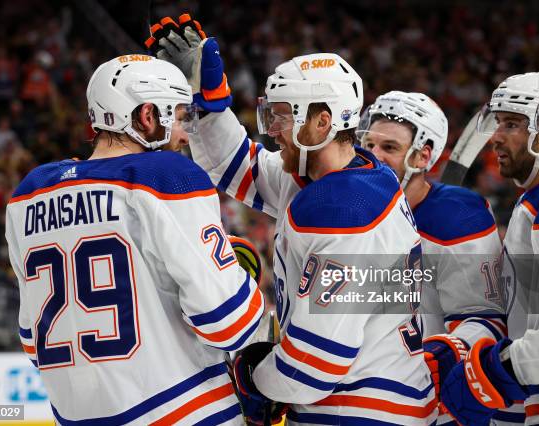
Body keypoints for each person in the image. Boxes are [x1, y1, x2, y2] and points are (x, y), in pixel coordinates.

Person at [148, 15, 436, 425]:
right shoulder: (346, 177)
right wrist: (205, 101)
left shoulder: (342, 211)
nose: (273, 130)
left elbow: (314, 364)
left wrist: (252, 378)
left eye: (283, 116)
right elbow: (236, 166)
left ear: (323, 122)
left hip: (358, 410)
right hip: (379, 395)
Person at [5, 55, 264, 425]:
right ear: (147, 116)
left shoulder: (28, 195)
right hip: (184, 411)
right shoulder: (166, 175)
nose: (183, 133)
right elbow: (230, 323)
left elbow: (34, 344)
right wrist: (239, 274)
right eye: (178, 116)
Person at [358, 92, 505, 423]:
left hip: (431, 405)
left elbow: (486, 319)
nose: (373, 156)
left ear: (422, 157)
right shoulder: (352, 205)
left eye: (389, 148)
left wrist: (444, 355)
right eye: (368, 145)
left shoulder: (456, 216)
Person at [439, 73, 539, 426]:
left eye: (511, 124)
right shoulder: (537, 200)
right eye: (497, 123)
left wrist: (496, 370)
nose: (495, 138)